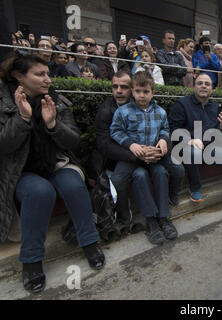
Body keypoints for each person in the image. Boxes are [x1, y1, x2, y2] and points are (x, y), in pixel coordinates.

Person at [0, 53, 105, 294]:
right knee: (40, 192)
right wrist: (23, 118)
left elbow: (74, 141)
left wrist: (53, 125)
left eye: (48, 73)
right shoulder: (3, 102)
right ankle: (32, 261)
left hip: (56, 163)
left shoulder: (57, 100)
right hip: (20, 171)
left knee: (73, 185)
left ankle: (90, 243)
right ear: (19, 77)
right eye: (40, 74)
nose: (48, 79)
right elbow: (4, 145)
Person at [94, 70, 185, 235]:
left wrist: (164, 141)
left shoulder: (160, 112)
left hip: (155, 155)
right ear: (133, 91)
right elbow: (115, 131)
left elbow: (165, 129)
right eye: (137, 91)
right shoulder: (122, 112)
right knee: (118, 179)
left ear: (153, 93)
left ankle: (164, 216)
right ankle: (143, 219)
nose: (141, 95)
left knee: (174, 169)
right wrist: (131, 145)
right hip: (134, 155)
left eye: (145, 92)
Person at [168, 73, 222, 211]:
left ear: (212, 89)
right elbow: (173, 129)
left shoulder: (215, 107)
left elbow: (216, 133)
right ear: (194, 86)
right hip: (186, 147)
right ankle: (195, 188)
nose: (204, 86)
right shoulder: (182, 104)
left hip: (209, 148)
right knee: (193, 152)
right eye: (200, 83)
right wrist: (189, 140)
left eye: (207, 84)